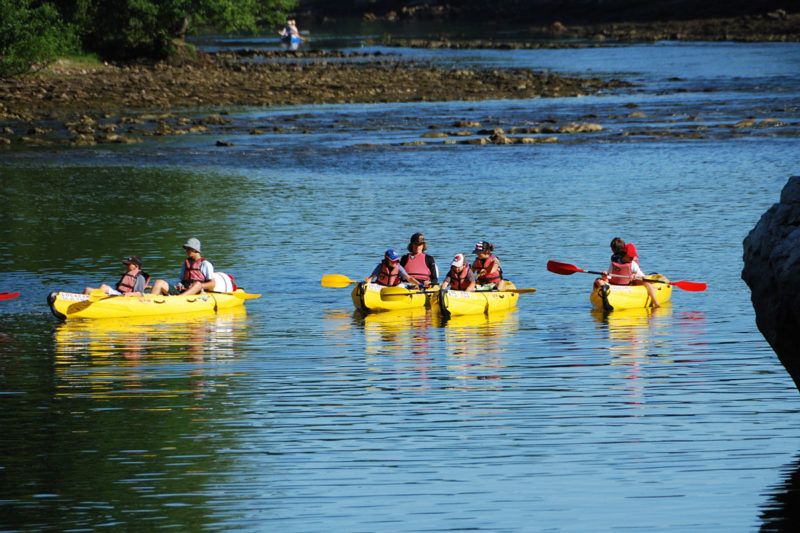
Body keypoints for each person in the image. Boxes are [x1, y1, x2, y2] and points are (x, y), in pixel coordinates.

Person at [597, 240, 660, 308]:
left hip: (628, 285)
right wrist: (604, 276)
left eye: (633, 256)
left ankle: (656, 303)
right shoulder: (614, 264)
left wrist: (636, 276)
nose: (632, 258)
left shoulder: (633, 264)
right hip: (614, 286)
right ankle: (603, 297)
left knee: (646, 282)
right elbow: (609, 277)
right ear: (623, 254)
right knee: (598, 280)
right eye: (630, 256)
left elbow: (643, 277)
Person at [150, 238, 215, 296]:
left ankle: (179, 299)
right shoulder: (185, 263)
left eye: (188, 249)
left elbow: (212, 284)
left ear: (195, 250)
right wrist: (180, 284)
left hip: (198, 292)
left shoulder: (205, 264)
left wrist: (199, 286)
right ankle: (150, 302)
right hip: (183, 291)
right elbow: (182, 280)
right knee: (159, 282)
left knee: (197, 284)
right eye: (186, 249)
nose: (186, 251)